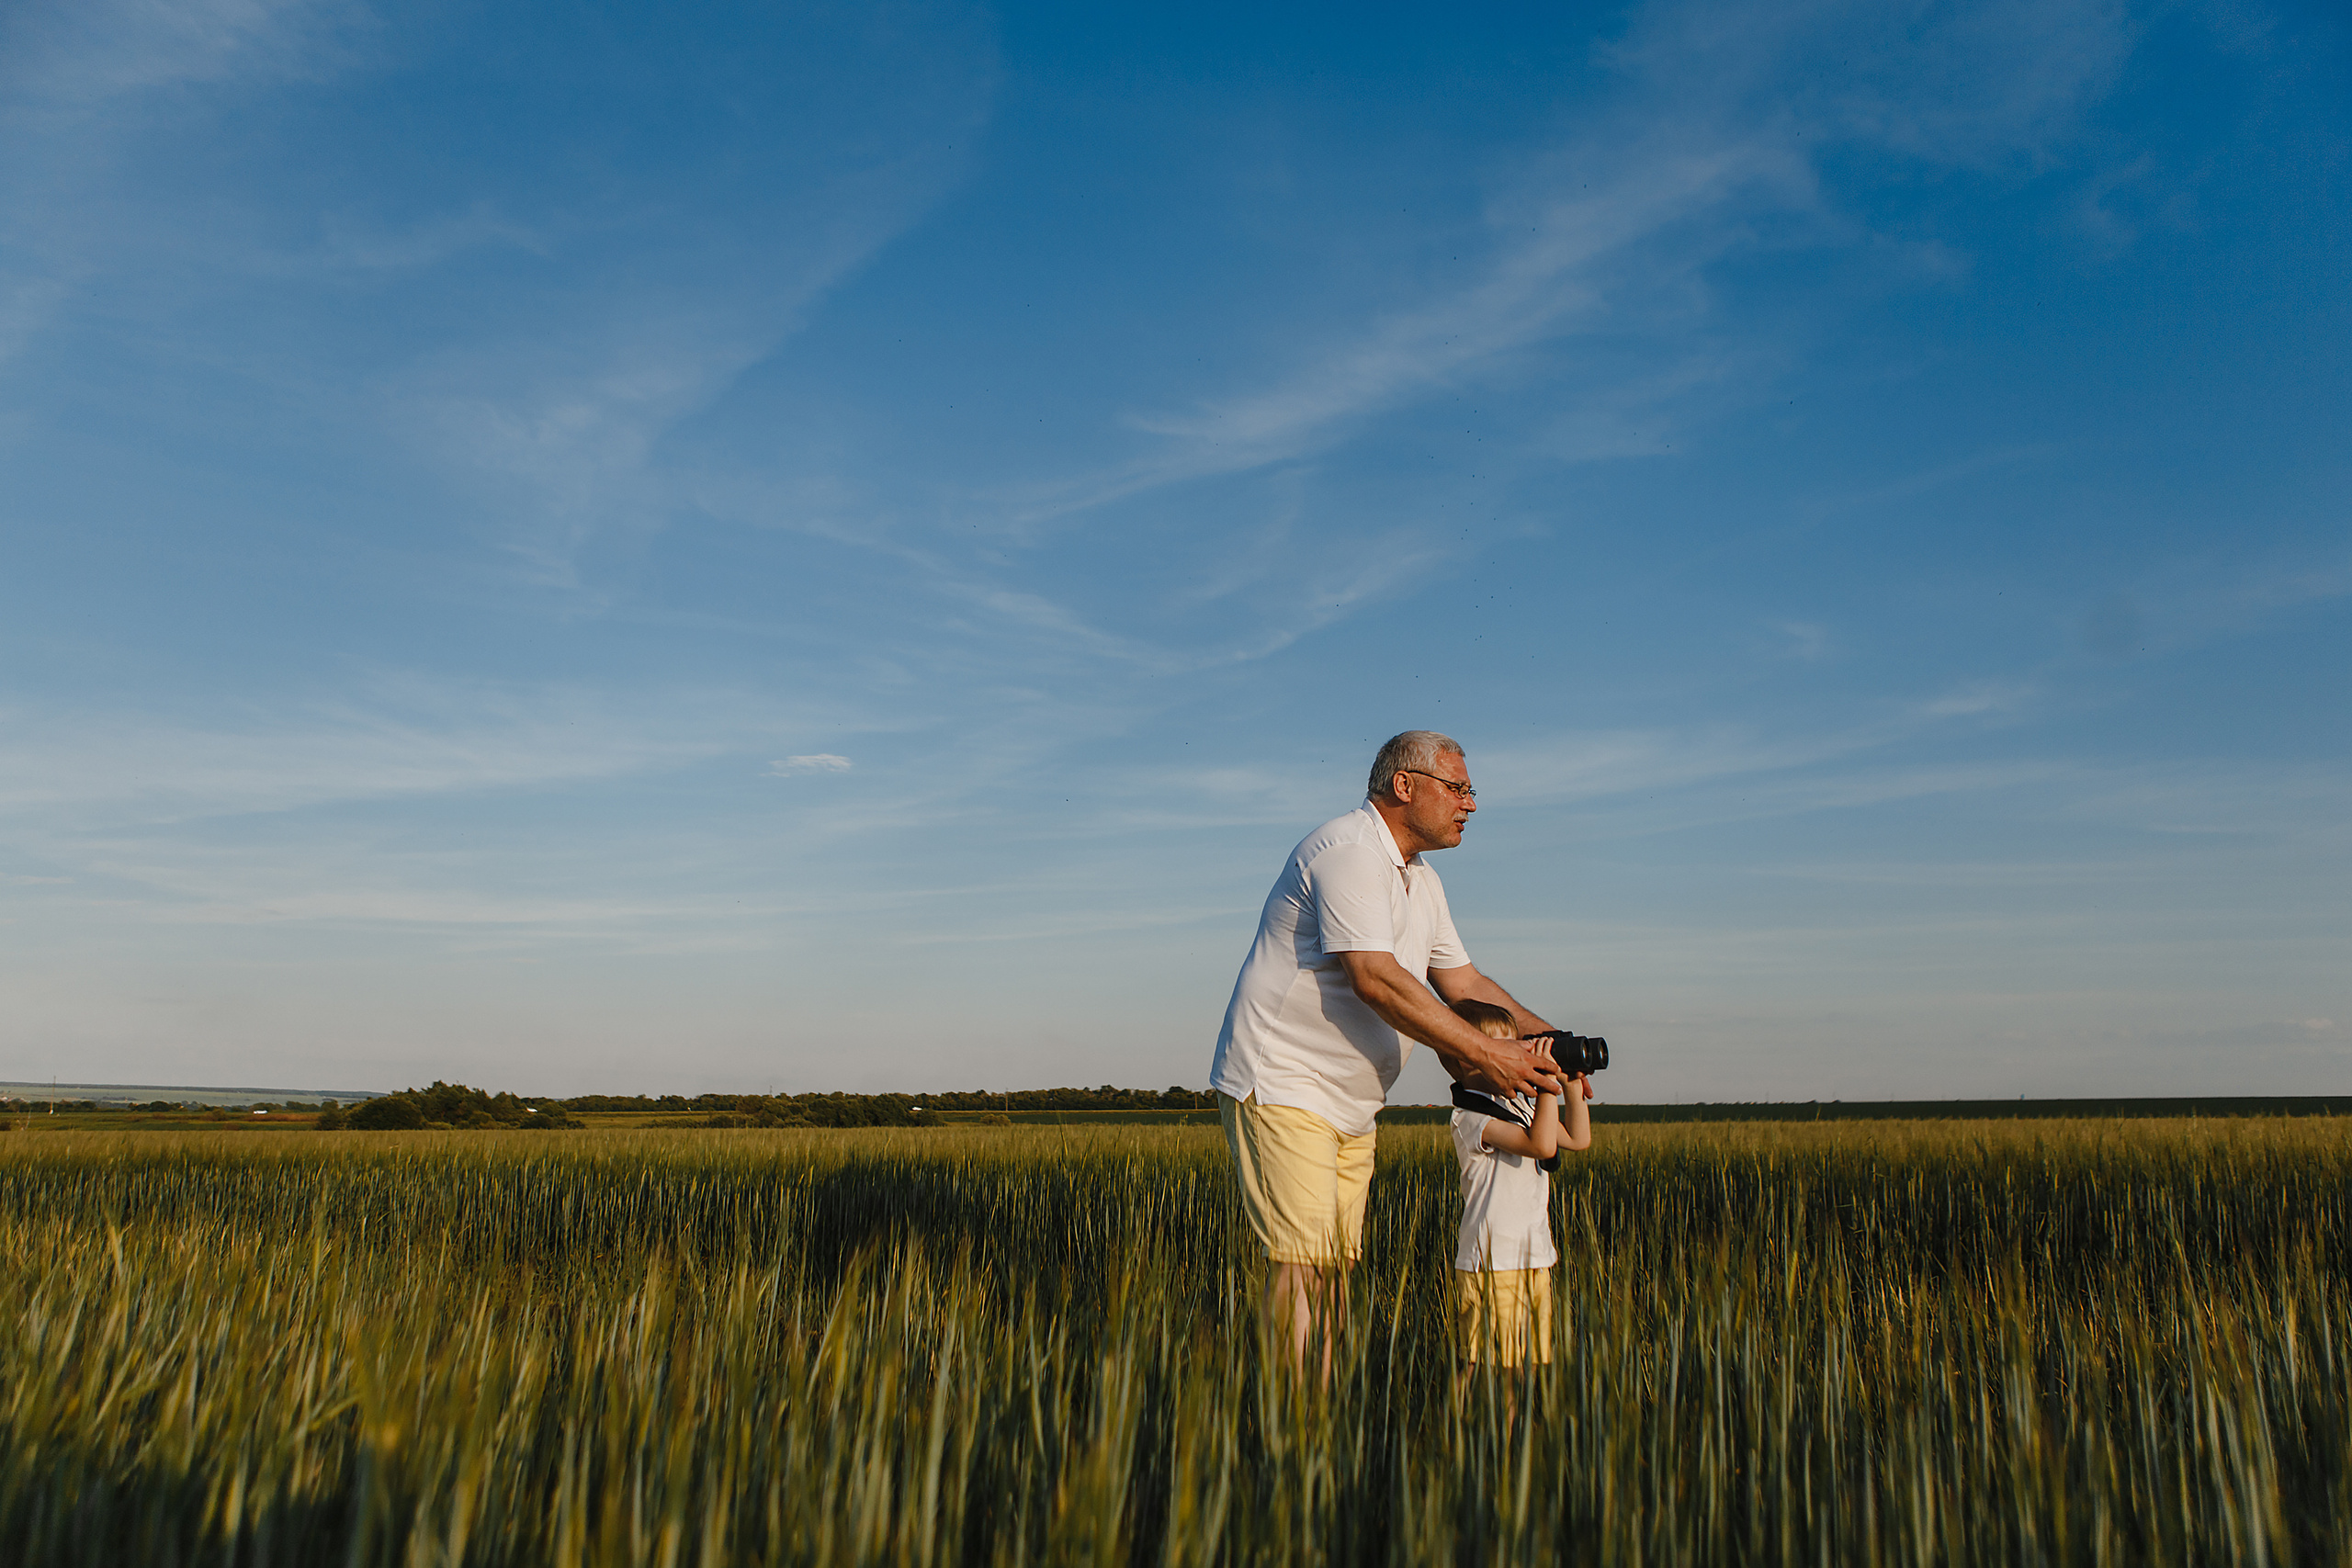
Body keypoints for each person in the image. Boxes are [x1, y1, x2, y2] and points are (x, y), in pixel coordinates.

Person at [1209, 730, 1563, 1371]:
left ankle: (1323, 1431)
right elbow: (1373, 975)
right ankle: (1295, 1439)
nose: (1471, 804)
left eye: (1469, 790)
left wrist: (1552, 1044)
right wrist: (1489, 1052)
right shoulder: (1346, 850)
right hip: (1286, 1085)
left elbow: (1466, 984)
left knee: (1335, 1273)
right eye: (1457, 788)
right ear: (1405, 786)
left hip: (1351, 1104)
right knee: (1303, 1270)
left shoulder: (1421, 881)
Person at [1447, 998, 1591, 1375]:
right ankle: (1457, 1432)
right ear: (1467, 1057)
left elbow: (1576, 1139)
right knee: (1480, 1368)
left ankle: (1508, 1434)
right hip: (1493, 1261)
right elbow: (1541, 1146)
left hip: (1533, 1256)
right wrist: (1545, 1086)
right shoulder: (1471, 1117)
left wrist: (1571, 1089)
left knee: (1519, 1369)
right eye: (1504, 1049)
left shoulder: (1520, 1107)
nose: (1518, 1057)